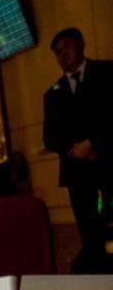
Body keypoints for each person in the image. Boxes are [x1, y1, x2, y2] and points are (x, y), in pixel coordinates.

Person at [43, 27, 113, 271]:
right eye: (57, 52)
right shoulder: (52, 94)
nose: (63, 54)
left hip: (108, 160)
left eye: (67, 47)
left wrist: (93, 143)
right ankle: (96, 268)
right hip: (76, 172)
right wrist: (73, 149)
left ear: (81, 44)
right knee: (87, 225)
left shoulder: (107, 72)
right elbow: (50, 137)